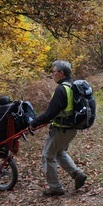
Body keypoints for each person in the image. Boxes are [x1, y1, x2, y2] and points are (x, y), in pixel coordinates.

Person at [29, 60, 88, 197]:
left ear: (61, 73)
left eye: (54, 72)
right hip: (72, 129)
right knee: (59, 152)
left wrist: (34, 123)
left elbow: (51, 113)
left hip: (61, 129)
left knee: (47, 155)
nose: (52, 74)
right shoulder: (72, 86)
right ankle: (77, 174)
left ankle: (55, 187)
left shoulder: (61, 89)